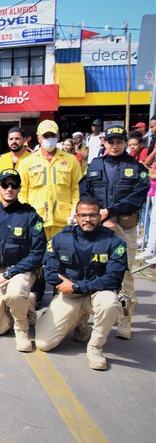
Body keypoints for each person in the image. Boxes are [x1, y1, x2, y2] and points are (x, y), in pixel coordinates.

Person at [35, 198, 127, 370]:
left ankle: (95, 347)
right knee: (43, 343)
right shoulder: (60, 239)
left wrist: (78, 286)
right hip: (71, 295)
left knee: (110, 303)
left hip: (97, 293)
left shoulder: (115, 243)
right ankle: (79, 321)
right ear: (76, 217)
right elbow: (50, 272)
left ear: (99, 217)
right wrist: (69, 287)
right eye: (83, 215)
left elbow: (113, 278)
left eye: (93, 215)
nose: (87, 219)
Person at [79, 125, 149, 340]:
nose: (115, 145)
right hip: (98, 226)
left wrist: (111, 212)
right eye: (111, 141)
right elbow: (85, 192)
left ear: (126, 143)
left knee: (125, 274)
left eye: (119, 141)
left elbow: (138, 196)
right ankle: (85, 321)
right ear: (104, 143)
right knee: (91, 270)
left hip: (124, 227)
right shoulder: (94, 166)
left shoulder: (137, 168)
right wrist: (101, 216)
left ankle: (125, 318)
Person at [0, 170, 47, 351]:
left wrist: (7, 274)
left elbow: (38, 254)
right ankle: (26, 303)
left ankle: (22, 327)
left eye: (14, 185)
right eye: (5, 185)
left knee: (15, 292)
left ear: (19, 188)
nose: (9, 189)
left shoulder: (30, 216)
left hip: (20, 270)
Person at [18, 119, 82, 306]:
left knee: (62, 260)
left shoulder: (70, 161)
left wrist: (75, 211)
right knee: (37, 259)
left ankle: (59, 296)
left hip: (64, 222)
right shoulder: (28, 162)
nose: (49, 139)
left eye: (52, 136)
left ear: (58, 136)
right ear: (38, 138)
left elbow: (77, 190)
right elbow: (22, 192)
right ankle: (36, 295)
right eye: (45, 136)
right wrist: (26, 215)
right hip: (37, 221)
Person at [0, 127, 29, 204]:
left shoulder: (32, 159)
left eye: (17, 139)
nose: (14, 141)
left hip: (23, 206)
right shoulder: (2, 159)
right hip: (1, 205)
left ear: (24, 140)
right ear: (8, 141)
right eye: (11, 139)